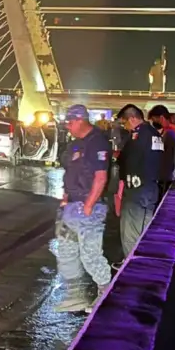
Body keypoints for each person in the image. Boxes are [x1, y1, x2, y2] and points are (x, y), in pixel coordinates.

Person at [54, 104, 113, 313]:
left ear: (80, 119)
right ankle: (75, 296)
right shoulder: (76, 144)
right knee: (66, 252)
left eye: (70, 122)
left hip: (88, 208)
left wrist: (88, 206)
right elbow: (71, 173)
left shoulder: (97, 142)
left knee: (91, 254)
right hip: (71, 206)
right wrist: (65, 198)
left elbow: (101, 177)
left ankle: (105, 294)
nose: (68, 126)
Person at [115, 104, 162, 257]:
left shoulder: (138, 136)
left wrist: (121, 190)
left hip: (136, 191)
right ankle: (142, 263)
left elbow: (128, 162)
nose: (125, 126)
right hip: (151, 189)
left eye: (125, 122)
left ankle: (131, 267)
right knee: (145, 232)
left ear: (133, 118)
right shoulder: (154, 134)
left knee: (131, 235)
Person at [147, 104, 175, 202]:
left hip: (166, 179)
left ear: (161, 118)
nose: (152, 123)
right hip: (167, 178)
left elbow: (166, 159)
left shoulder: (169, 134)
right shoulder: (171, 132)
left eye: (153, 119)